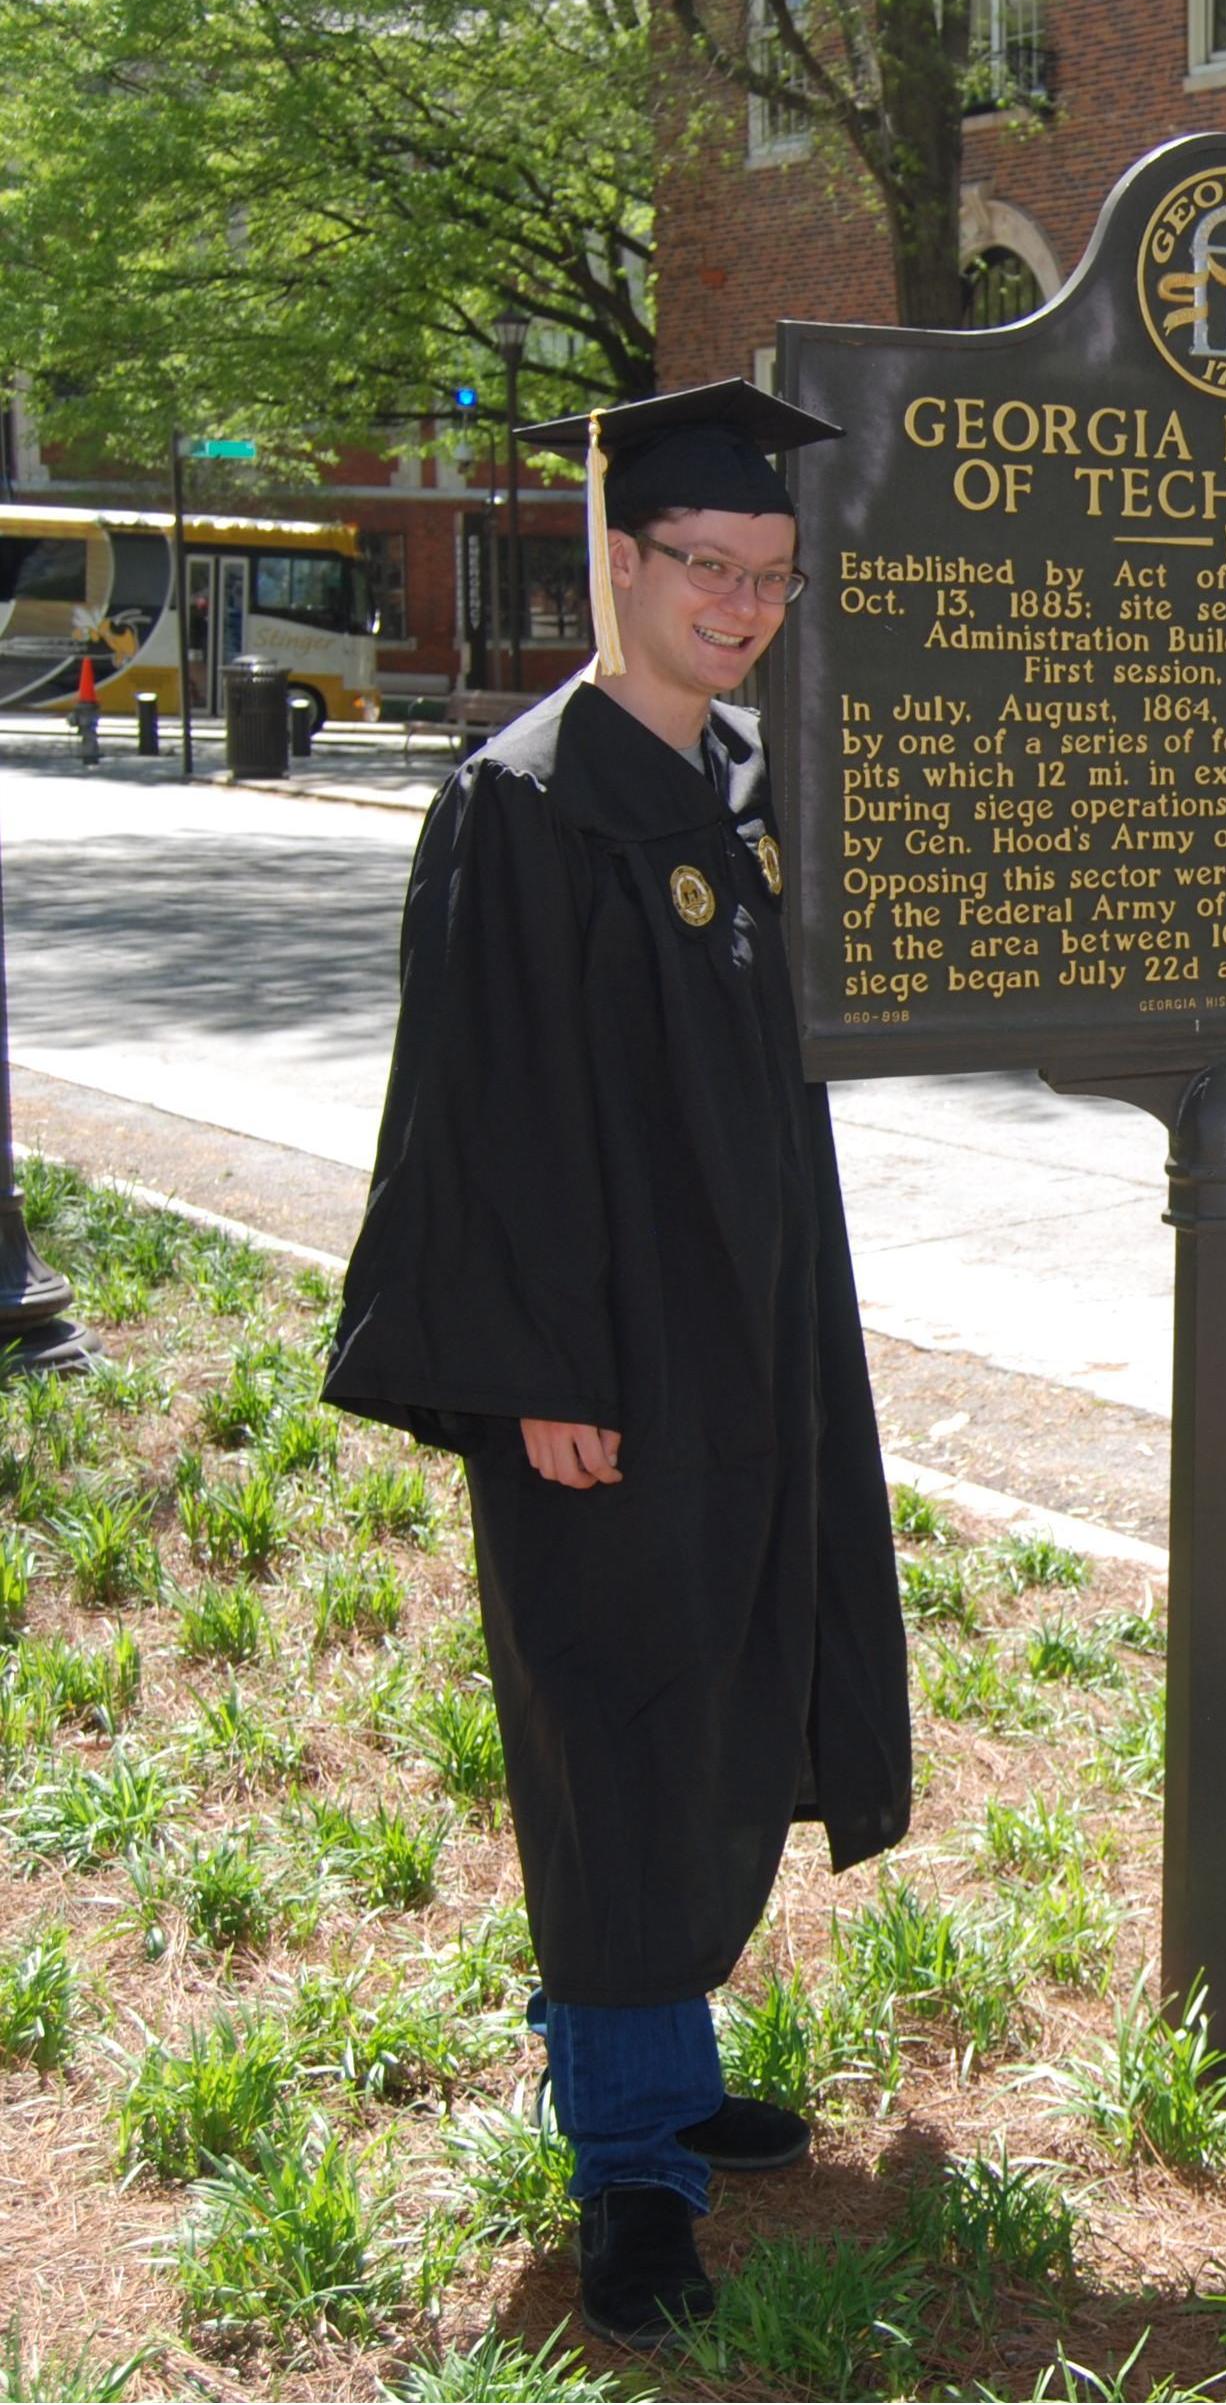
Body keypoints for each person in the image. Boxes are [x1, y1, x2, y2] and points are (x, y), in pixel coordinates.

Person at [324, 380, 911, 2347]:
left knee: (716, 1680)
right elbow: (477, 1118)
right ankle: (630, 2175)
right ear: (624, 559)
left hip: (745, 1341)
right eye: (707, 571)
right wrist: (536, 1373)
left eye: (769, 578)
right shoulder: (527, 799)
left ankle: (653, 2061)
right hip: (602, 1370)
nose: (742, 606)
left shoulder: (733, 787)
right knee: (622, 1728)